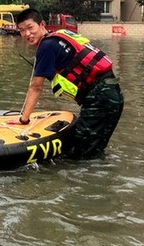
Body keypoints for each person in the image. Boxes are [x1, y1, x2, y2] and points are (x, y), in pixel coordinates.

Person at [15, 8, 123, 159]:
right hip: (111, 92)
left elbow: (36, 87)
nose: (26, 34)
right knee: (93, 150)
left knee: (82, 155)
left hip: (100, 97)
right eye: (21, 30)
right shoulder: (59, 36)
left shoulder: (46, 46)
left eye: (30, 27)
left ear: (42, 24)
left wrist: (23, 119)